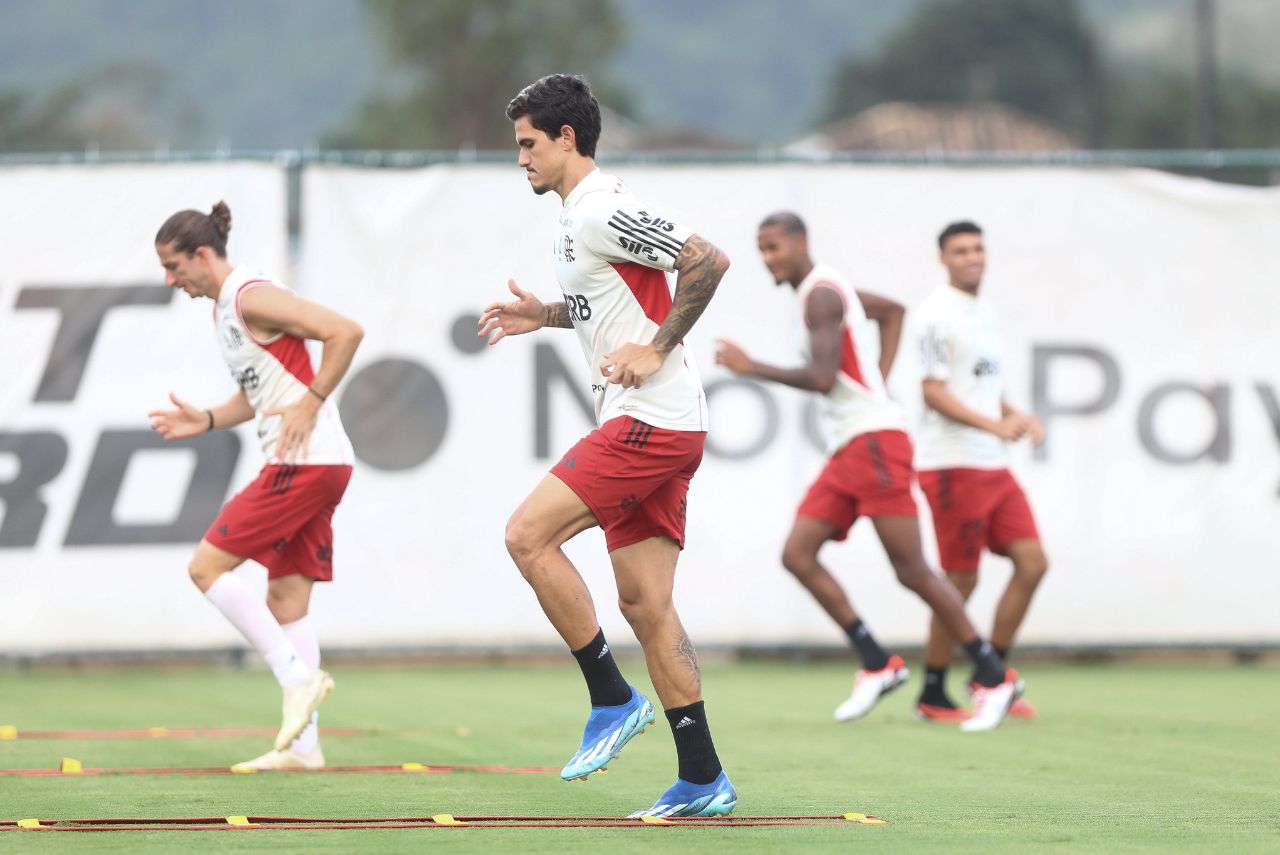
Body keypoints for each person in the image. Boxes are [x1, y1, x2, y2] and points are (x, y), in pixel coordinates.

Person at [477, 74, 735, 817]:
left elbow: (707, 259)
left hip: (650, 421)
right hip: (661, 422)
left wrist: (657, 347)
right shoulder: (576, 216)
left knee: (526, 535)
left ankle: (611, 696)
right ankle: (703, 777)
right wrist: (546, 314)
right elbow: (607, 302)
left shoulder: (600, 208)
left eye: (529, 143)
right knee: (646, 605)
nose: (521, 158)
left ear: (567, 138)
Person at [714, 211, 1021, 732]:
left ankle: (994, 677)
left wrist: (752, 367)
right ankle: (877, 663)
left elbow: (821, 376)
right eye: (761, 249)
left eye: (774, 247)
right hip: (852, 445)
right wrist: (875, 380)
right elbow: (892, 312)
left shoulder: (821, 295)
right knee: (797, 554)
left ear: (801, 243)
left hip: (875, 442)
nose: (768, 258)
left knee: (913, 570)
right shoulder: (825, 291)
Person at [148, 202, 363, 768]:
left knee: (205, 567)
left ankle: (297, 679)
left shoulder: (249, 296)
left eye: (173, 266)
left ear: (202, 255)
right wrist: (207, 419)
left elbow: (346, 331)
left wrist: (311, 404)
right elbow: (260, 392)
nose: (170, 280)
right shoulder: (223, 309)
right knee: (286, 598)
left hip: (306, 463)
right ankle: (304, 750)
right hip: (315, 463)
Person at [913, 221, 1048, 723]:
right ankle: (932, 692)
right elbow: (933, 391)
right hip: (953, 463)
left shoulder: (985, 311)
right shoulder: (934, 314)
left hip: (992, 463)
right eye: (960, 250)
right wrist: (995, 425)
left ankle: (990, 677)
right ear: (943, 259)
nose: (972, 257)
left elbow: (983, 388)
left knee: (1032, 563)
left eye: (977, 248)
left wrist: (1015, 415)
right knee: (959, 582)